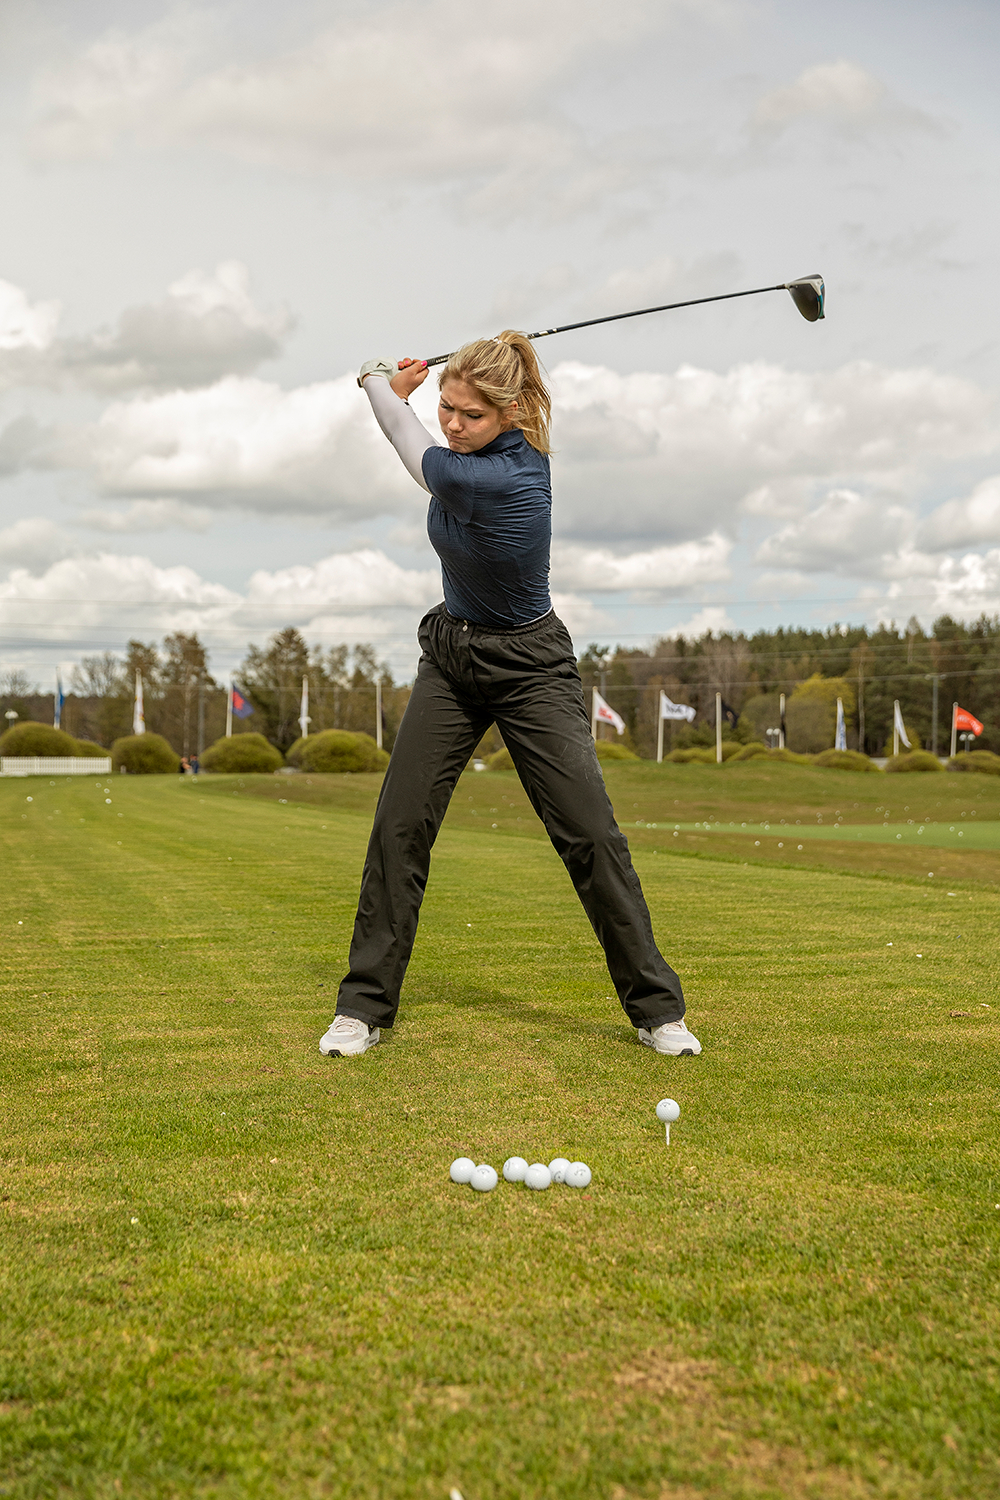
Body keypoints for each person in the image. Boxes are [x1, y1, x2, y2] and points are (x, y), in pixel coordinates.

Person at [319, 333, 700, 1061]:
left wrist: (376, 383)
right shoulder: (471, 455)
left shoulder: (508, 480)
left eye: (468, 415)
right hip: (453, 656)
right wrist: (404, 391)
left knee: (590, 836)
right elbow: (417, 425)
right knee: (399, 826)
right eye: (445, 408)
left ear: (513, 412)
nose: (452, 426)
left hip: (531, 668)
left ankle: (658, 1010)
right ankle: (362, 1008)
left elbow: (405, 441)